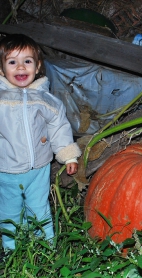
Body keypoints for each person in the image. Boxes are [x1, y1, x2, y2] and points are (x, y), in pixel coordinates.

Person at [0, 34, 82, 250]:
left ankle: (46, 245)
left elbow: (59, 127)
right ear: (1, 70)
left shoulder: (47, 100)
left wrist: (68, 154)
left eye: (27, 61)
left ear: (37, 67)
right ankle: (11, 248)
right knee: (9, 210)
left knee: (39, 207)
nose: (20, 67)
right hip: (6, 169)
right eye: (12, 62)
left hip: (39, 169)